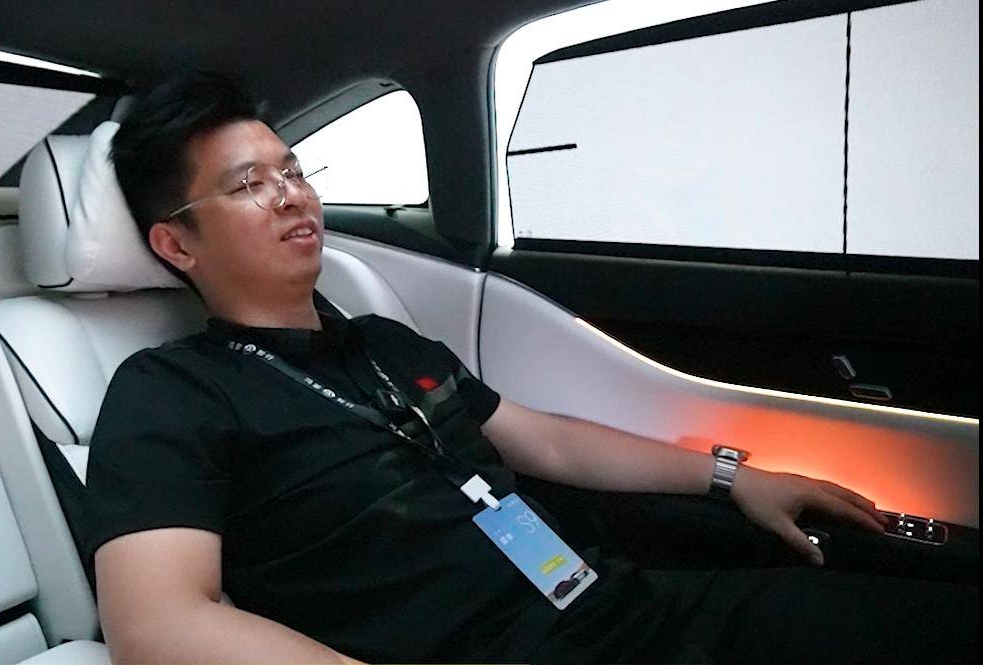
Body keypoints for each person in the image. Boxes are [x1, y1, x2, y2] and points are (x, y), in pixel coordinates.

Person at [85, 72, 977, 664]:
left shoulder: (384, 343)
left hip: (615, 606)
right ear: (176, 244)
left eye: (291, 169)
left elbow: (548, 441)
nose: (292, 194)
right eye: (248, 184)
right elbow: (158, 621)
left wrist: (732, 473)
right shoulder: (170, 392)